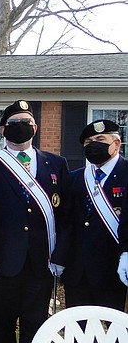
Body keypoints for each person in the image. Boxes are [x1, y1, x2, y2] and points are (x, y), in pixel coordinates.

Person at [0, 100, 68, 343]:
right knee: (0, 324)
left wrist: (60, 254)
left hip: (40, 262)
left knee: (35, 323)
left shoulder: (55, 164)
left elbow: (65, 215)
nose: (23, 125)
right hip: (2, 261)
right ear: (3, 129)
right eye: (16, 121)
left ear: (36, 127)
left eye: (27, 120)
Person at [54, 120, 127, 310]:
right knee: (79, 333)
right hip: (78, 272)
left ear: (116, 143)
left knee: (116, 334)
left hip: (115, 270)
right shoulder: (76, 178)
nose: (93, 144)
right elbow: (67, 222)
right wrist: (59, 258)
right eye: (88, 142)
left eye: (100, 139)